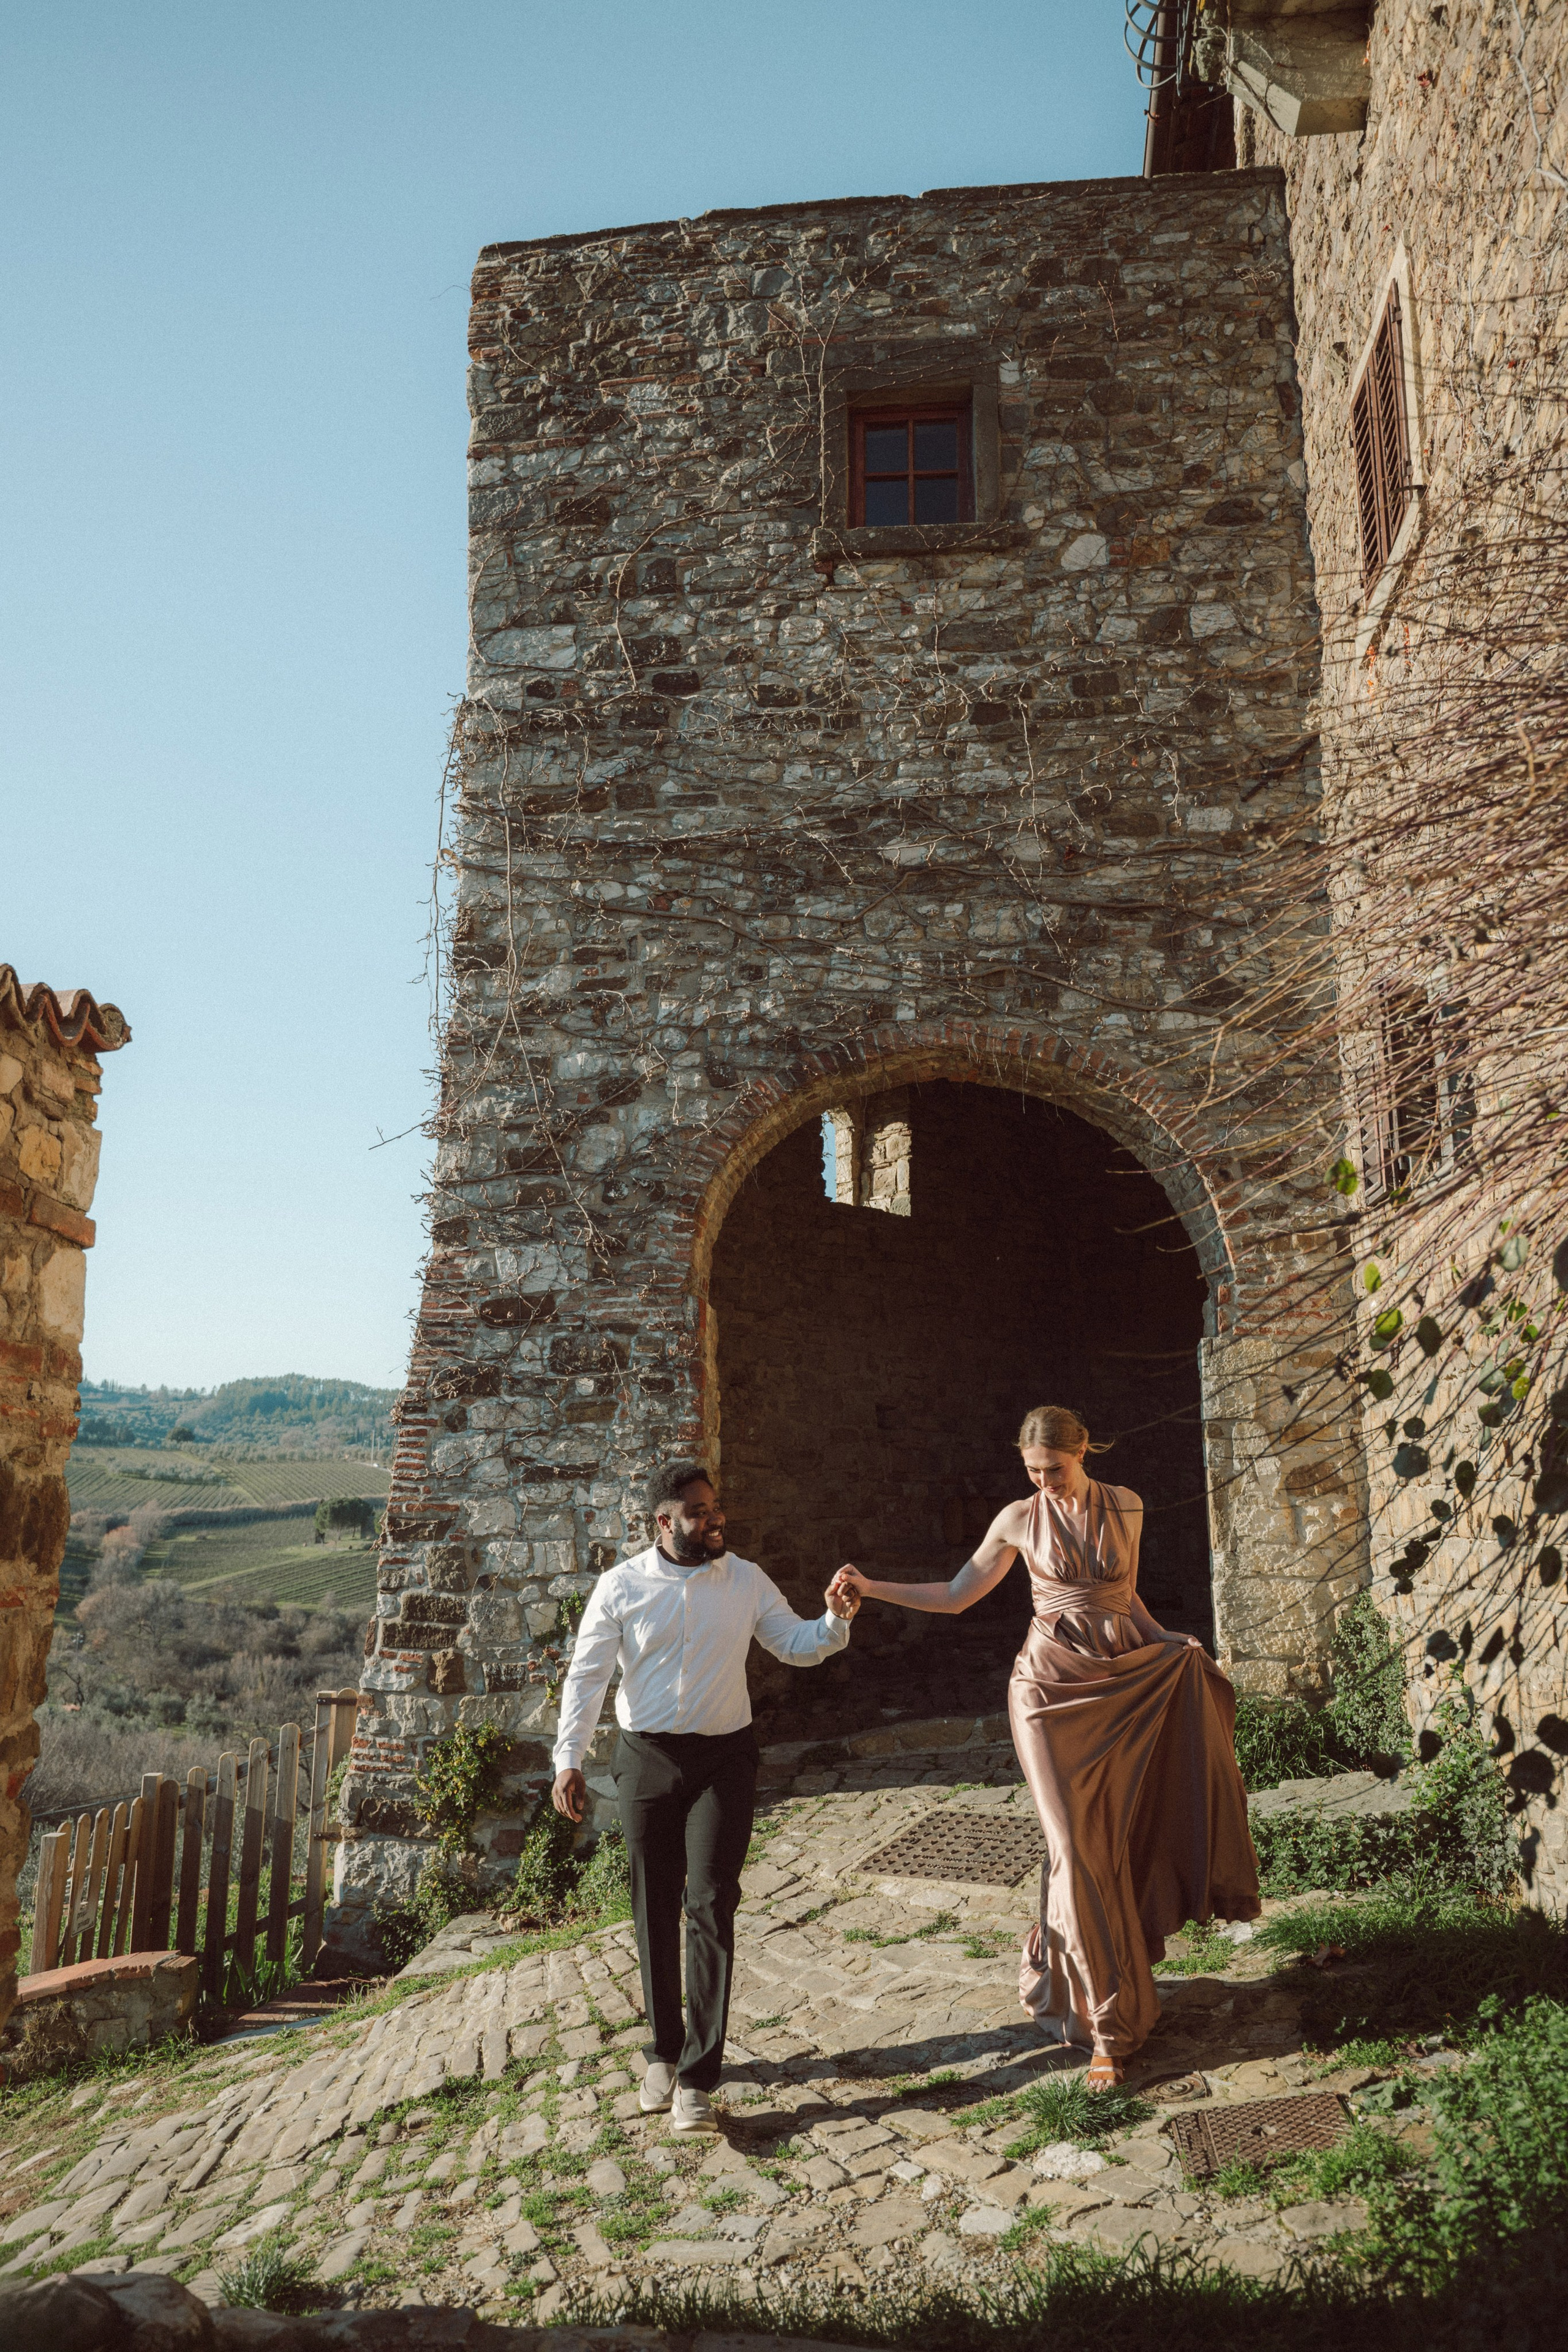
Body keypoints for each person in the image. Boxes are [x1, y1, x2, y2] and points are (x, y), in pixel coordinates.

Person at [830, 1405, 1259, 2087]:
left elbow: (1122, 1596)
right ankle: (1105, 2029)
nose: (1043, 1482)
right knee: (1073, 1849)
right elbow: (955, 1593)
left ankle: (1103, 1972)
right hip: (1048, 1691)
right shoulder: (1017, 1518)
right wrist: (871, 1587)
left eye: (1052, 1470)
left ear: (1083, 1450)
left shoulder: (1128, 1507)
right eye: (1031, 1471)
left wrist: (1167, 1639)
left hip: (1120, 1680)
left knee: (1116, 1836)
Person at [552, 1461, 859, 2133]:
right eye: (698, 1512)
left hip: (724, 1758)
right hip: (646, 1761)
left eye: (716, 1508)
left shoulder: (745, 1579)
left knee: (712, 1903)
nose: (715, 1519)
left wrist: (832, 1623)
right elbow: (588, 1677)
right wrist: (567, 1759)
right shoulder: (621, 1586)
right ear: (664, 1522)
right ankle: (662, 2053)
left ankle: (698, 2076)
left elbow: (794, 1645)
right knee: (653, 1903)